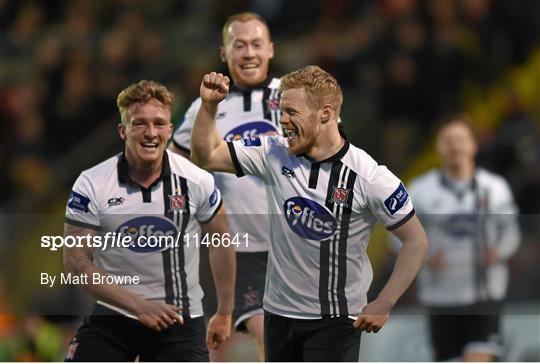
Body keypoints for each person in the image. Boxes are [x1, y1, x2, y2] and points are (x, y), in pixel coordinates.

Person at [189, 65, 429, 361]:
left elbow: (416, 241)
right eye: (281, 110)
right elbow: (206, 156)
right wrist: (209, 106)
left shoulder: (369, 177)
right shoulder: (273, 153)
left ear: (325, 114)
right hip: (278, 313)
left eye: (291, 112)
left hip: (335, 320)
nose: (282, 121)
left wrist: (384, 302)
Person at [63, 80, 236, 361]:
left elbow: (221, 241)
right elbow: (76, 263)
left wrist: (225, 312)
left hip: (179, 320)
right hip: (114, 316)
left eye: (159, 123)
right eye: (140, 123)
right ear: (123, 130)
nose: (150, 133)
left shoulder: (197, 180)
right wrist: (139, 306)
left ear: (170, 129)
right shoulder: (91, 183)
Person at [169, 12, 278, 361]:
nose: (248, 53)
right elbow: (173, 167)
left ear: (271, 49)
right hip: (242, 250)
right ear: (223, 53)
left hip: (298, 245)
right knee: (269, 339)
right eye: (239, 44)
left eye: (256, 44)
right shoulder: (206, 108)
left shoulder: (295, 97)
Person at [407, 116, 520, 361]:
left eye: (460, 139)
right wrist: (422, 258)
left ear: (473, 145)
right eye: (447, 140)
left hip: (484, 296)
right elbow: (398, 238)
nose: (455, 146)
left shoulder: (495, 188)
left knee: (478, 357)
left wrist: (498, 252)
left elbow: (511, 231)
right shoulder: (419, 190)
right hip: (440, 296)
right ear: (438, 147)